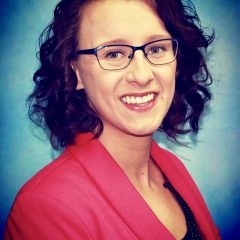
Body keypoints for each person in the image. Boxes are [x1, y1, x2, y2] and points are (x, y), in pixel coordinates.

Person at [4, 0, 221, 239]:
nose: (142, 75)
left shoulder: (171, 166)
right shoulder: (44, 209)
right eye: (114, 53)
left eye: (157, 49)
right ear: (75, 71)